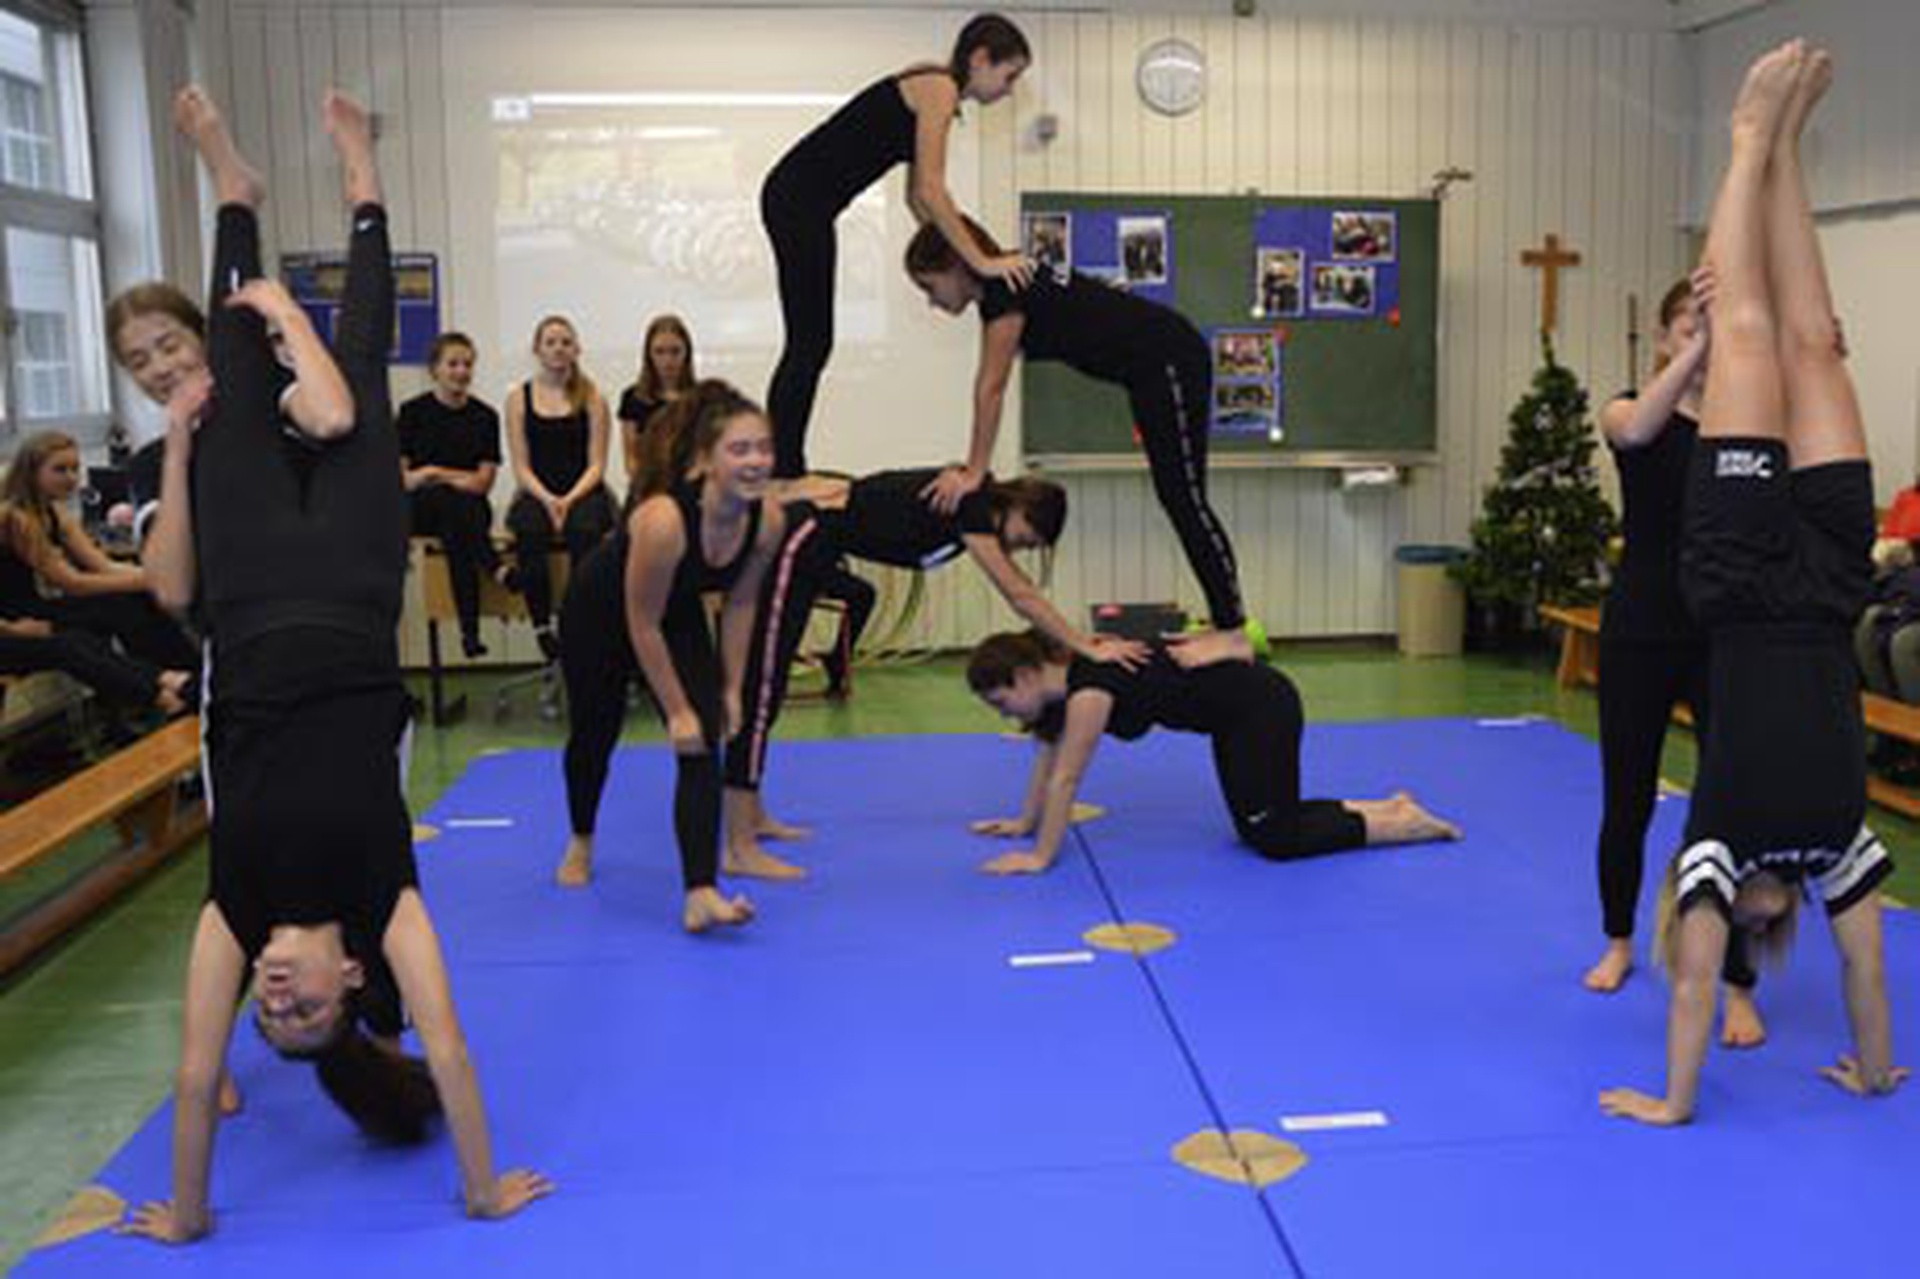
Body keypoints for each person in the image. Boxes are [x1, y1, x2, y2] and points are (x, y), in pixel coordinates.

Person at [118, 86, 548, 1243]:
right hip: (357, 592)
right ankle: (360, 175)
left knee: (235, 382)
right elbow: (447, 1047)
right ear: (353, 982)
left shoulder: (236, 910)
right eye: (303, 1012)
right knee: (355, 376)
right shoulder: (382, 902)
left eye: (276, 1014)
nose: (278, 997)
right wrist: (480, 1189)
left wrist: (191, 1214)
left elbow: (195, 1062)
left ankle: (233, 193)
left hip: (254, 592)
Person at [1600, 43, 1906, 1128]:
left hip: (1732, 578)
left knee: (1746, 333)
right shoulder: (1845, 854)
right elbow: (1871, 980)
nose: (1749, 917)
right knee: (1815, 343)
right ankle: (1786, 157)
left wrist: (1672, 1101)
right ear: (1772, 927)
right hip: (1826, 587)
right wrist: (1873, 1072)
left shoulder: (1714, 851)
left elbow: (1690, 990)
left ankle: (1745, 139)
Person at [720, 469, 1150, 876]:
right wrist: (1085, 646)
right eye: (1029, 538)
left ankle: (752, 817)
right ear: (1020, 509)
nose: (1023, 548)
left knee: (767, 693)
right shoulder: (974, 509)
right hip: (803, 537)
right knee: (761, 692)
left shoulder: (968, 498)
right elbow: (1020, 594)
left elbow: (1016, 580)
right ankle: (740, 846)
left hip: (819, 548)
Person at [908, 216, 1254, 666]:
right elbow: (932, 207)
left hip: (1168, 359)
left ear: (955, 264)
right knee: (1179, 498)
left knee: (1184, 499)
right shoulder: (1007, 277)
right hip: (1152, 369)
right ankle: (1228, 625)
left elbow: (990, 388)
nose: (932, 302)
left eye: (930, 287)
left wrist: (974, 473)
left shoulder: (1003, 290)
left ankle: (1234, 632)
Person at [1585, 271, 1767, 1047]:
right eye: (1688, 324)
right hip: (1637, 632)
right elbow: (1633, 435)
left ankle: (1736, 980)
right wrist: (1691, 354)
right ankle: (1622, 939)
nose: (1703, 337)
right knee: (1626, 797)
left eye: (1711, 326)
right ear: (1665, 336)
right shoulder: (1632, 408)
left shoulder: (1738, 429)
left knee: (1728, 809)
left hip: (1715, 634)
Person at [553, 380, 783, 935]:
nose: (756, 462)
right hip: (601, 613)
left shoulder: (767, 521)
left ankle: (700, 892)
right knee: (596, 732)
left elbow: (742, 603)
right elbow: (641, 622)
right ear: (705, 461)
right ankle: (581, 838)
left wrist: (728, 689)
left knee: (705, 737)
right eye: (739, 449)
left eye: (763, 448)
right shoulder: (663, 520)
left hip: (670, 610)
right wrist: (674, 708)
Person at [762, 12, 1032, 479]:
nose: (1009, 90)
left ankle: (785, 466)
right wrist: (983, 261)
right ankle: (783, 471)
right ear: (981, 59)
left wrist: (953, 260)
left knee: (810, 343)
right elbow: (931, 190)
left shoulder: (933, 86)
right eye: (1009, 76)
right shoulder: (940, 90)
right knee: (810, 344)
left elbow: (916, 199)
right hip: (797, 199)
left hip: (799, 200)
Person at [961, 629, 1458, 875]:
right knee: (1259, 825)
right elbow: (1048, 753)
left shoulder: (1090, 692)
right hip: (1233, 718)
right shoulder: (1067, 682)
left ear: (1026, 676)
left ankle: (1403, 826)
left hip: (1259, 707)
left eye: (1001, 702)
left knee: (1276, 840)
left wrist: (1040, 857)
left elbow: (1066, 779)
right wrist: (1024, 823)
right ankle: (1386, 808)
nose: (1004, 714)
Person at [0, 430, 199, 675]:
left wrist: (156, 574)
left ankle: (188, 676)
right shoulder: (16, 519)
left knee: (135, 599)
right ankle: (176, 682)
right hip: (18, 615)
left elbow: (104, 566)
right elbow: (74, 584)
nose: (71, 477)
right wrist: (155, 580)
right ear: (31, 472)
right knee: (118, 606)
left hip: (40, 604)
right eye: (60, 470)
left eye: (75, 468)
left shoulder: (55, 511)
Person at [504, 315, 617, 658]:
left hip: (584, 490)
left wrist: (567, 500)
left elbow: (597, 464)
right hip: (536, 490)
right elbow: (520, 465)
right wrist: (548, 499)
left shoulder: (594, 397)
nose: (558, 348)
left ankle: (580, 622)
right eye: (551, 342)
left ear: (576, 349)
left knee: (584, 531)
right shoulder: (518, 398)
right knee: (530, 531)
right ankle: (542, 627)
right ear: (538, 349)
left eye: (566, 342)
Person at [399, 332, 508, 659]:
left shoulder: (485, 416)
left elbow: (483, 484)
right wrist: (451, 475)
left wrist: (433, 472)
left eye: (467, 364)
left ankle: (470, 634)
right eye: (453, 364)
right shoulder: (412, 412)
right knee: (452, 505)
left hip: (468, 510)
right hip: (422, 509)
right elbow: (404, 480)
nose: (462, 371)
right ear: (435, 369)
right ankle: (492, 566)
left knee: (456, 521)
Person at [617, 314, 697, 500]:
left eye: (675, 351)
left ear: (687, 353)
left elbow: (703, 456)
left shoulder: (699, 399)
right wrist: (649, 489)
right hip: (647, 488)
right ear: (648, 355)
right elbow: (630, 458)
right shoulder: (633, 398)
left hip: (688, 488)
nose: (667, 361)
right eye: (659, 352)